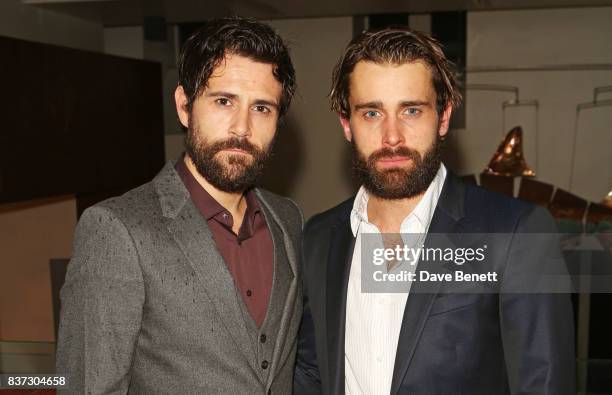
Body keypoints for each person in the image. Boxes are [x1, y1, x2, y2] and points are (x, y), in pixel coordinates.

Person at [294, 27, 575, 395]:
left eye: (411, 110)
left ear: (443, 118)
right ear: (347, 124)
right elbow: (313, 373)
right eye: (372, 113)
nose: (392, 136)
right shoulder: (319, 237)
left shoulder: (516, 233)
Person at [56, 16, 303, 394]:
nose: (242, 128)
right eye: (224, 101)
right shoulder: (116, 229)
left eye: (262, 108)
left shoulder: (288, 220)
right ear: (185, 106)